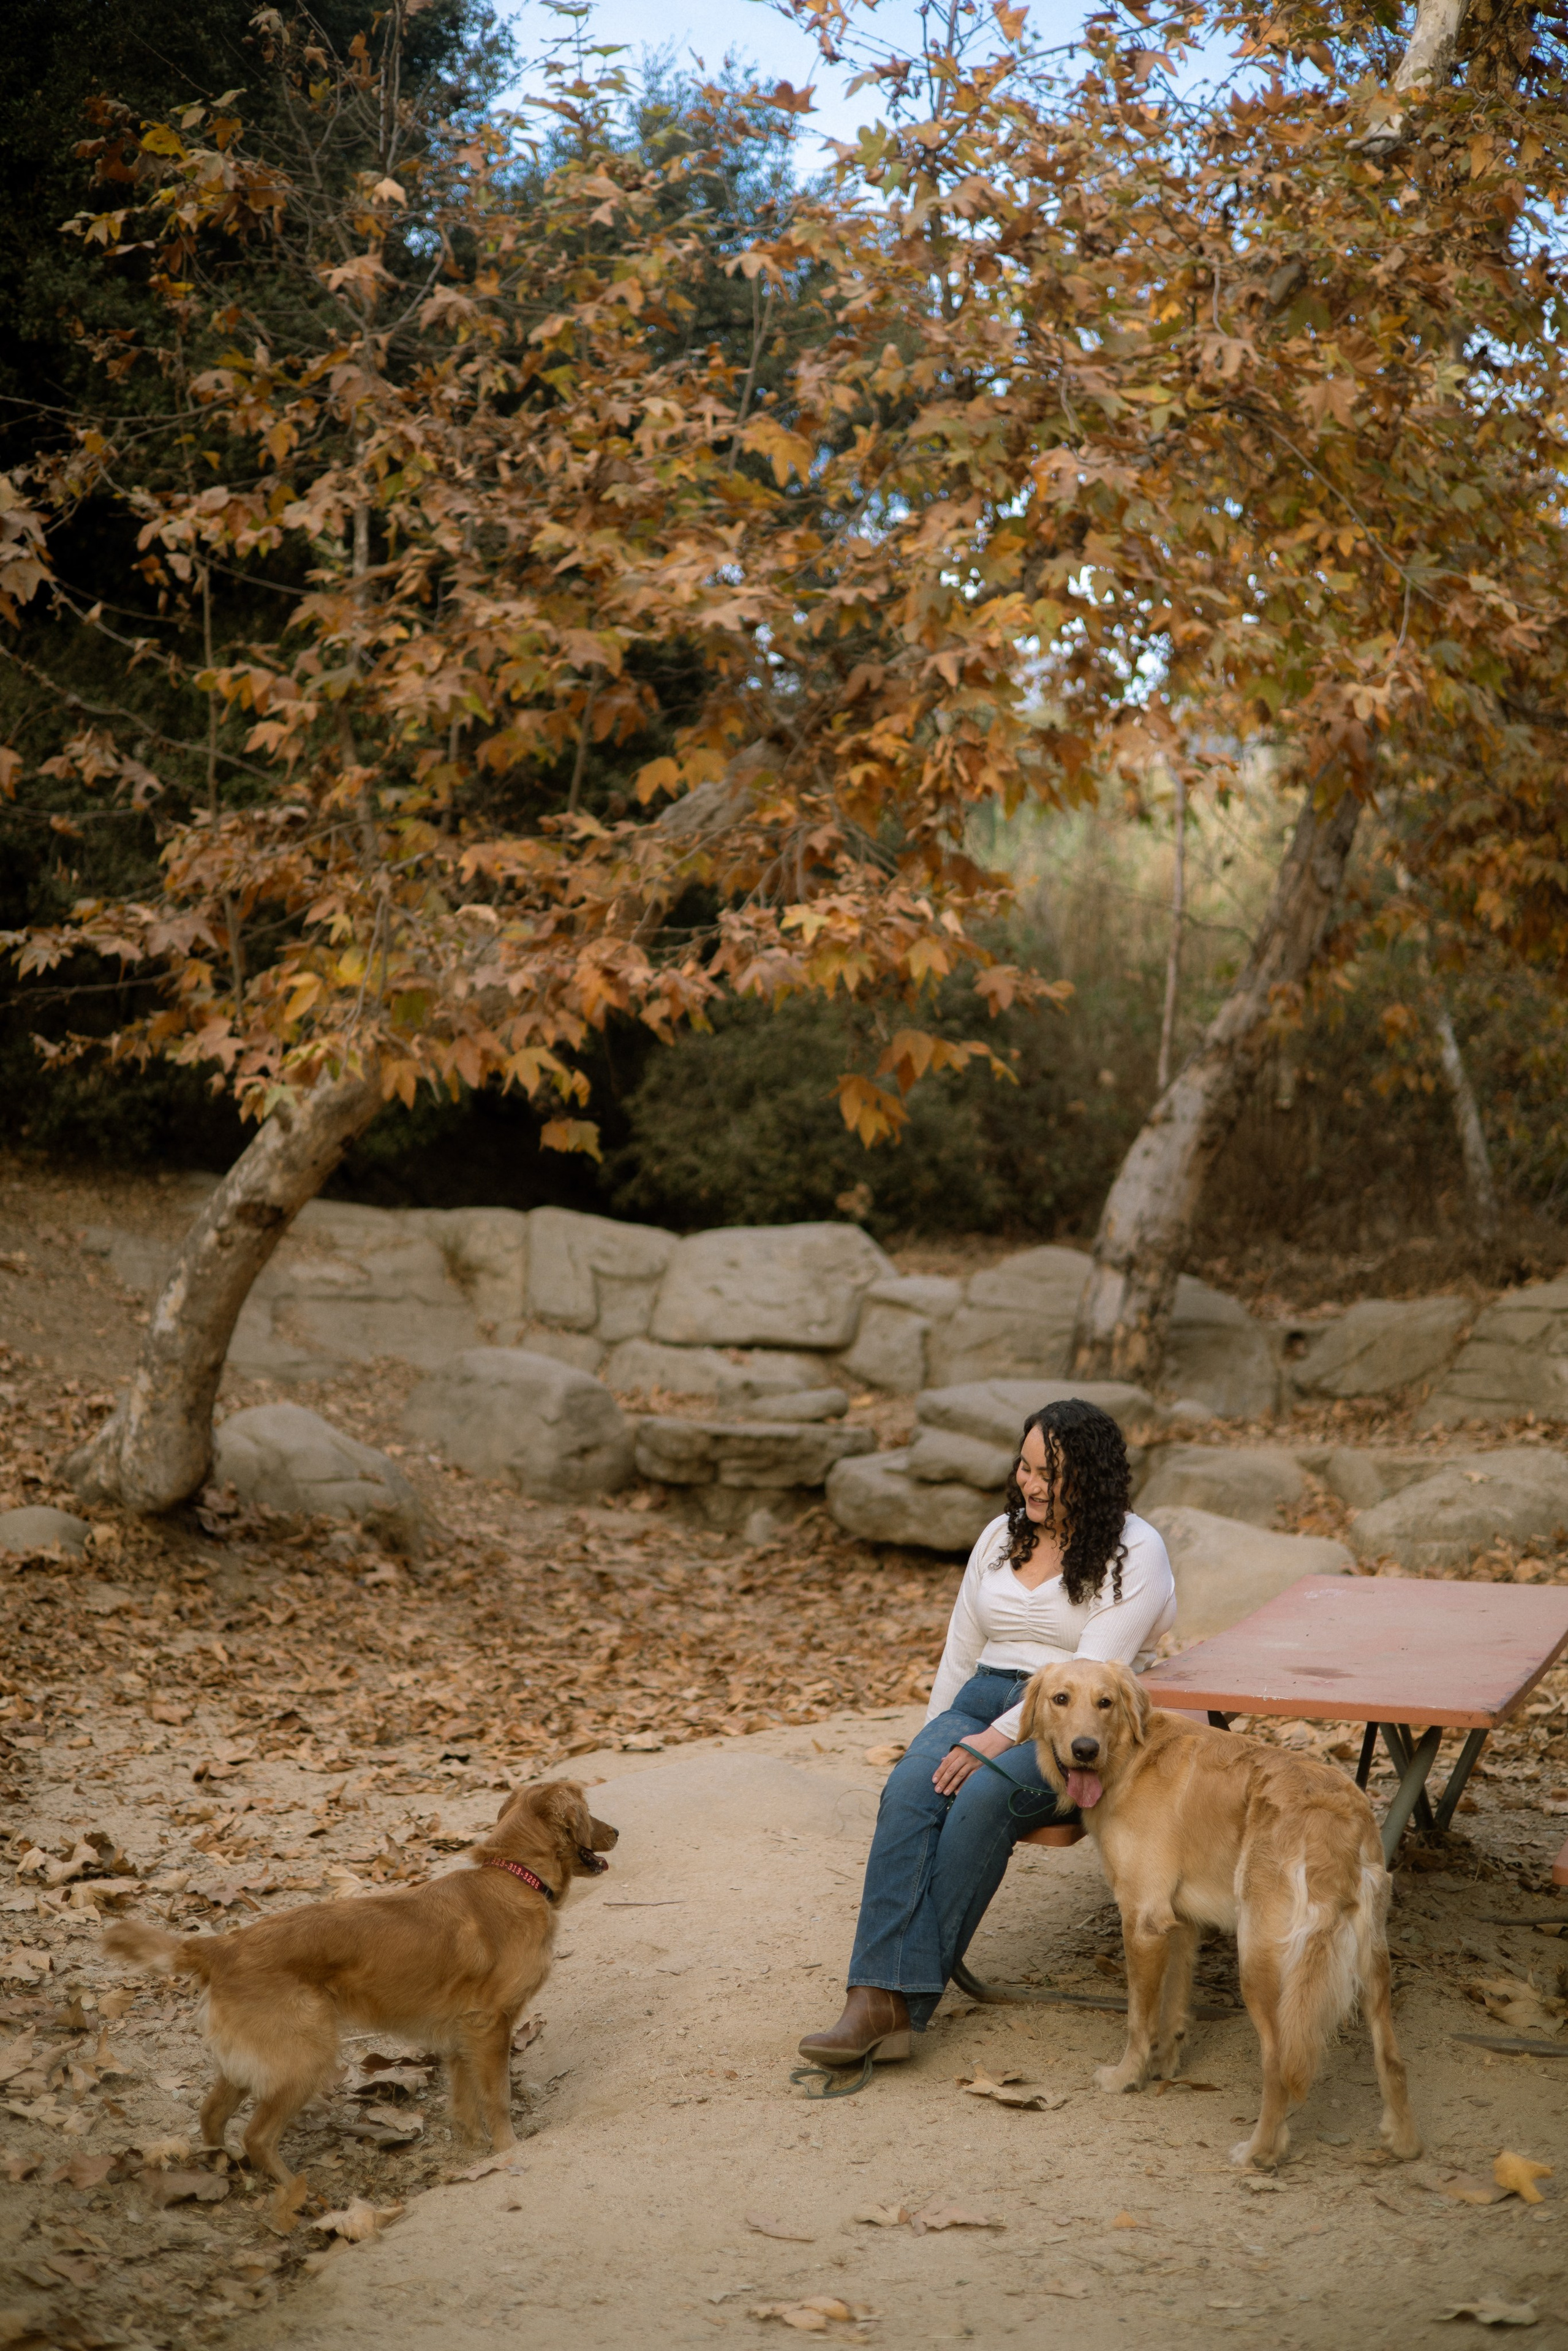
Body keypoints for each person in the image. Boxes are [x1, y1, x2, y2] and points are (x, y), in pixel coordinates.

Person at [797, 1395, 1176, 2073]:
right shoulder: (1001, 1535)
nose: (1030, 1484)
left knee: (979, 1801)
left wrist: (997, 1740)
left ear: (1089, 1480)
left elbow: (1089, 1673)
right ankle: (868, 1999)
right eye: (1024, 1467)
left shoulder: (1136, 1551)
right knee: (911, 1792)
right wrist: (933, 1739)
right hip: (980, 1698)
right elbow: (961, 1646)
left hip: (1069, 1717)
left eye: (1049, 1476)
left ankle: (901, 2008)